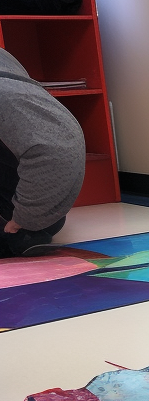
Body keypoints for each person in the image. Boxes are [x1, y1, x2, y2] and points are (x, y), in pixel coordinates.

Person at [0, 48, 86, 257]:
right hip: (38, 208)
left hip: (25, 216)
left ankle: (22, 233)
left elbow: (57, 150)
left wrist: (26, 216)